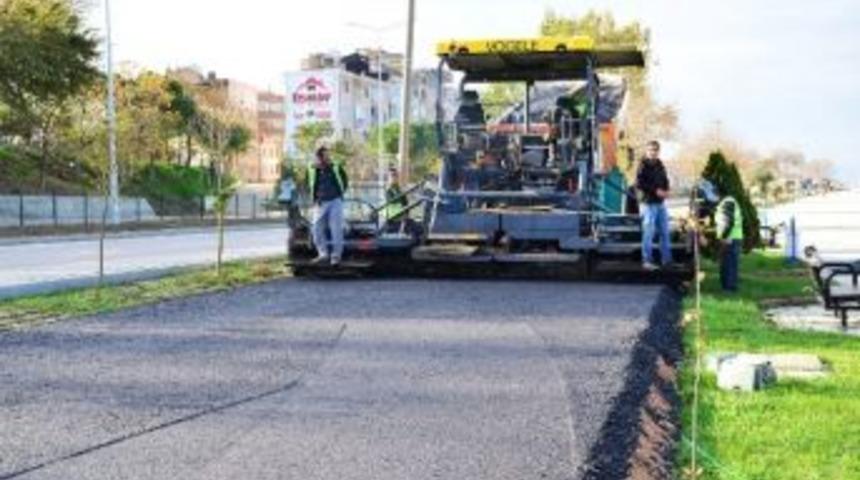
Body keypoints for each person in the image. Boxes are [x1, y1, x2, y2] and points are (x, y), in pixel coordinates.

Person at [307, 145, 349, 266]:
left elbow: (345, 180)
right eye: (324, 155)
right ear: (318, 157)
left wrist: (340, 194)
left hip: (335, 201)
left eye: (327, 155)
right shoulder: (312, 168)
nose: (327, 157)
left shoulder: (335, 167)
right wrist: (314, 197)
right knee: (316, 228)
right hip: (320, 202)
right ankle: (323, 254)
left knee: (336, 228)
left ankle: (336, 256)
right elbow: (309, 183)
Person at [636, 140, 672, 270]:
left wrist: (667, 189)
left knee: (665, 232)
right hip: (648, 203)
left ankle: (667, 260)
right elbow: (639, 184)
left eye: (655, 149)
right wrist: (656, 190)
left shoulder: (660, 164)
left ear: (658, 151)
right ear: (647, 151)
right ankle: (647, 261)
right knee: (649, 233)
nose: (653, 152)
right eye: (651, 149)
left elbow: (665, 179)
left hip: (660, 204)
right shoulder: (642, 165)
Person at [715, 187, 745, 292]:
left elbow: (728, 222)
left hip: (730, 237)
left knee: (729, 264)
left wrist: (724, 236)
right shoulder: (728, 202)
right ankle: (729, 287)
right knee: (729, 263)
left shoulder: (727, 202)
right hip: (732, 237)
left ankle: (729, 289)